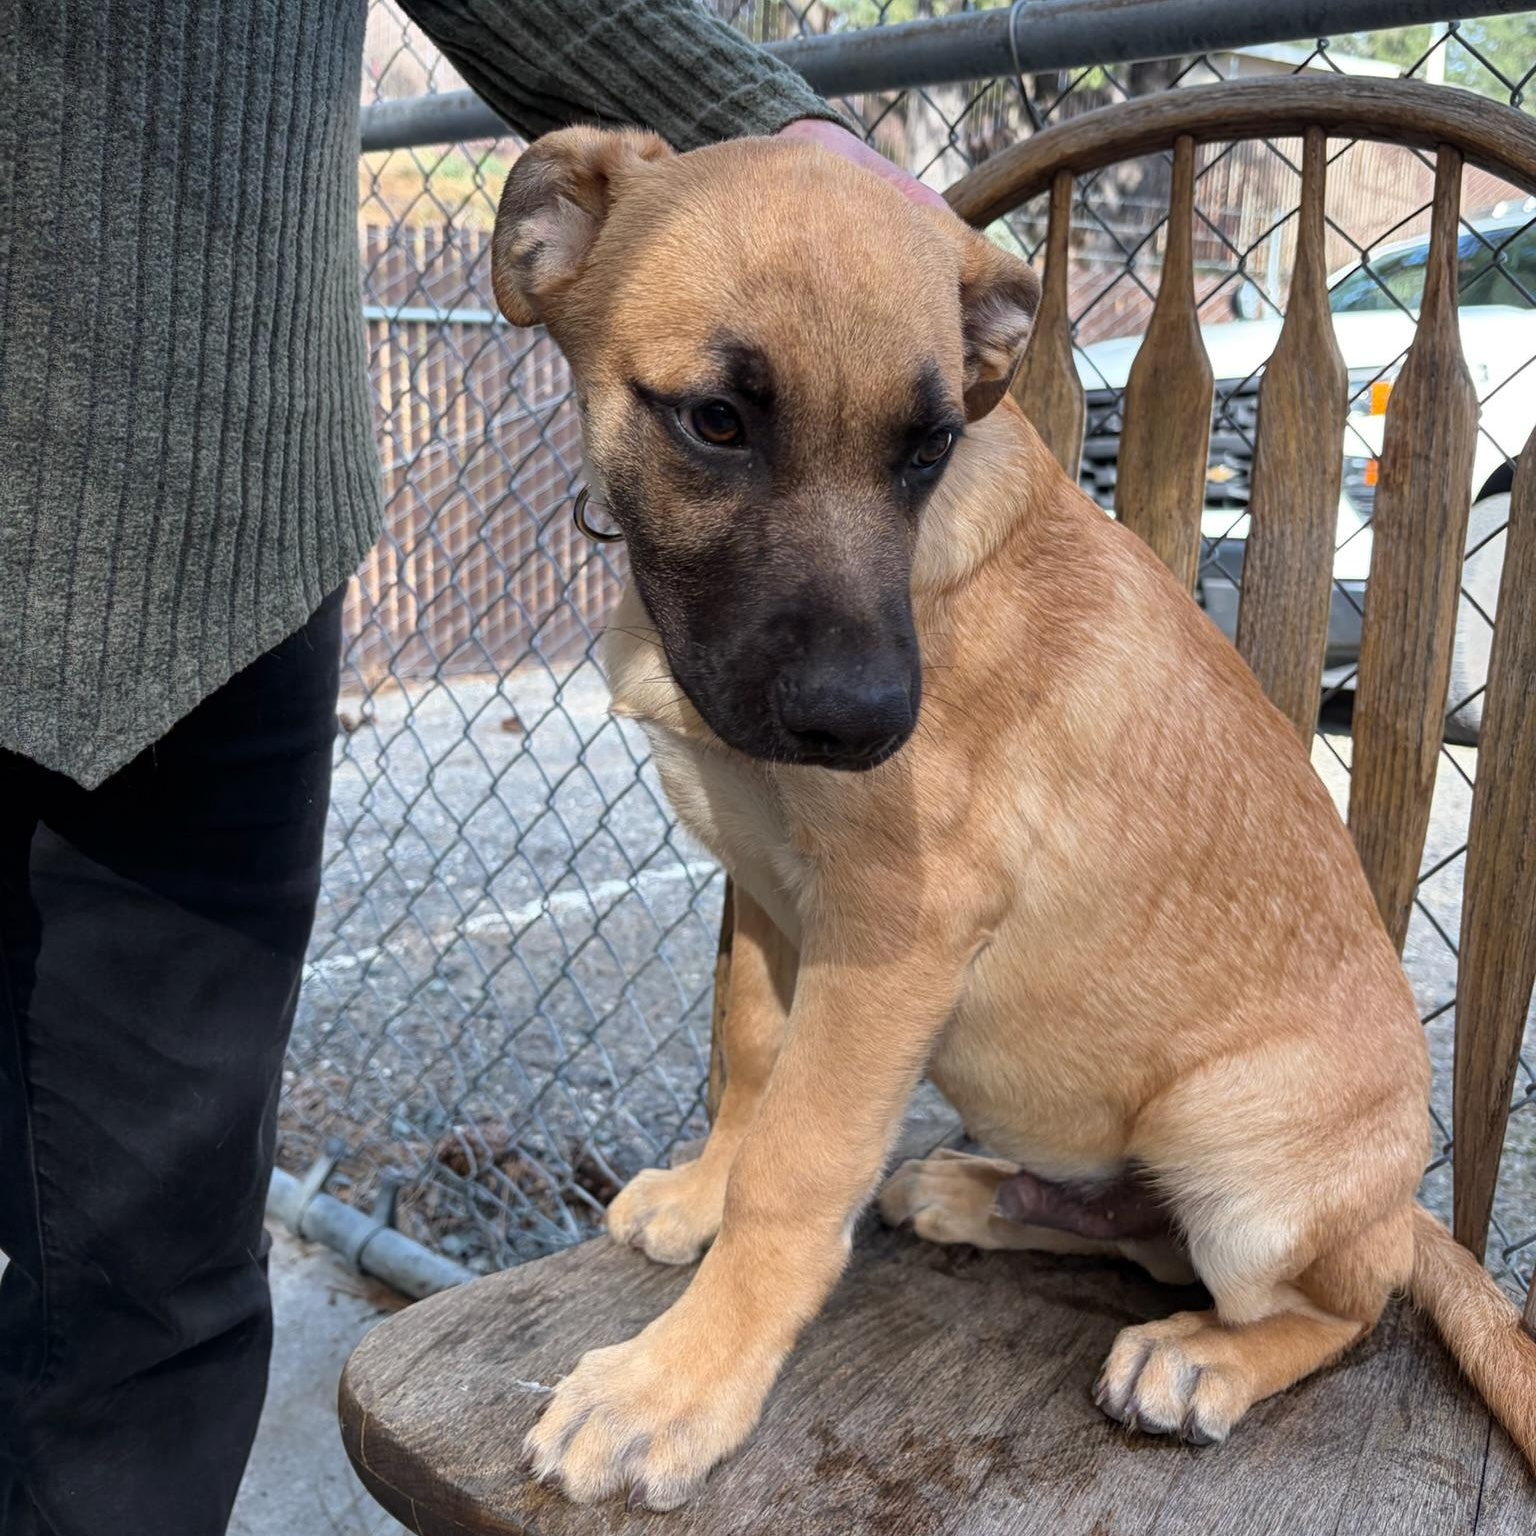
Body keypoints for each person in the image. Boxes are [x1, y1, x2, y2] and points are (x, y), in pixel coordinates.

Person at [0, 3, 943, 1533]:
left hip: (194, 562)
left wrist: (807, 143)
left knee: (148, 1288)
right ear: (538, 266)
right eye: (713, 419)